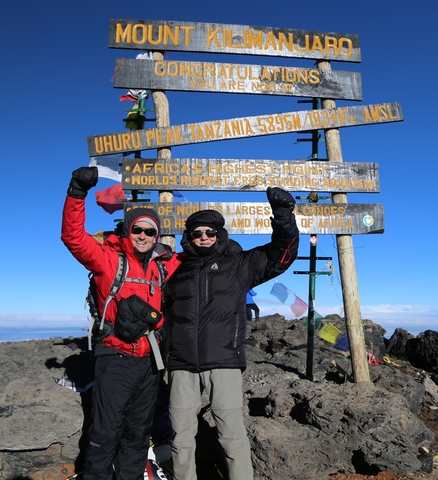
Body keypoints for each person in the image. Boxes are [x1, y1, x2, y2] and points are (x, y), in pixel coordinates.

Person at [163, 187, 299, 480]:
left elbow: (281, 255)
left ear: (219, 235)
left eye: (210, 232)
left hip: (224, 360)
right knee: (180, 437)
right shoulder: (176, 271)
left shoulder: (239, 264)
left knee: (231, 435)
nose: (204, 237)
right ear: (189, 236)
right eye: (197, 232)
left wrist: (284, 215)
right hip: (181, 365)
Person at [61, 166, 175, 480]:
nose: (143, 236)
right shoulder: (109, 259)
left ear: (157, 235)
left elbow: (201, 259)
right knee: (105, 432)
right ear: (127, 230)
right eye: (137, 229)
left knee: (139, 433)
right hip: (115, 357)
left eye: (150, 231)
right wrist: (77, 193)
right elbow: (73, 237)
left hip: (151, 362)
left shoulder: (164, 266)